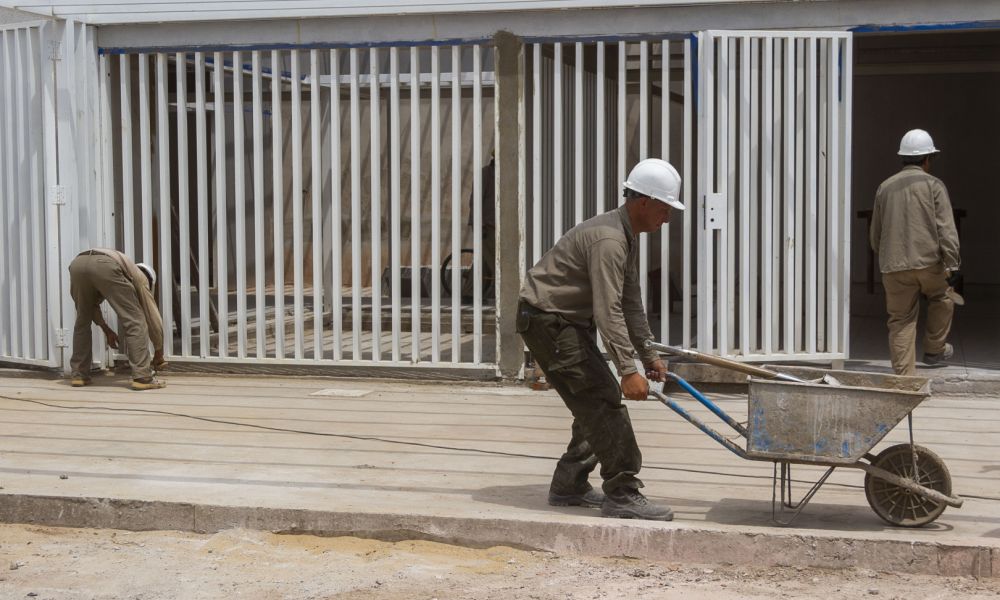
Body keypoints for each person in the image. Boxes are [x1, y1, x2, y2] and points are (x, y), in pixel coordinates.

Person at [516, 158, 682, 522]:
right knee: (603, 399)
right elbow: (609, 312)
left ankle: (569, 483)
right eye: (665, 208)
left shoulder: (624, 234)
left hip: (566, 321)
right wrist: (628, 370)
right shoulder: (609, 239)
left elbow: (630, 302)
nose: (667, 218)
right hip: (549, 322)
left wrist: (648, 354)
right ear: (643, 202)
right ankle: (622, 491)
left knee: (590, 400)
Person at [870, 129, 961, 376]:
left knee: (900, 320)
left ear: (903, 158)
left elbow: (875, 233)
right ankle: (934, 350)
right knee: (943, 297)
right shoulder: (934, 185)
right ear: (927, 159)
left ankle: (903, 378)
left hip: (894, 266)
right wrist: (952, 264)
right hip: (929, 263)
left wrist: (886, 256)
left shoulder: (884, 187)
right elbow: (946, 229)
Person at [68, 248, 167, 390]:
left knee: (82, 319)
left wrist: (107, 330)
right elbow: (152, 316)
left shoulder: (123, 268)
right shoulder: (140, 277)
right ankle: (142, 377)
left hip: (77, 264)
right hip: (104, 264)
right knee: (135, 320)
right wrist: (159, 352)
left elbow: (92, 309)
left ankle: (79, 375)